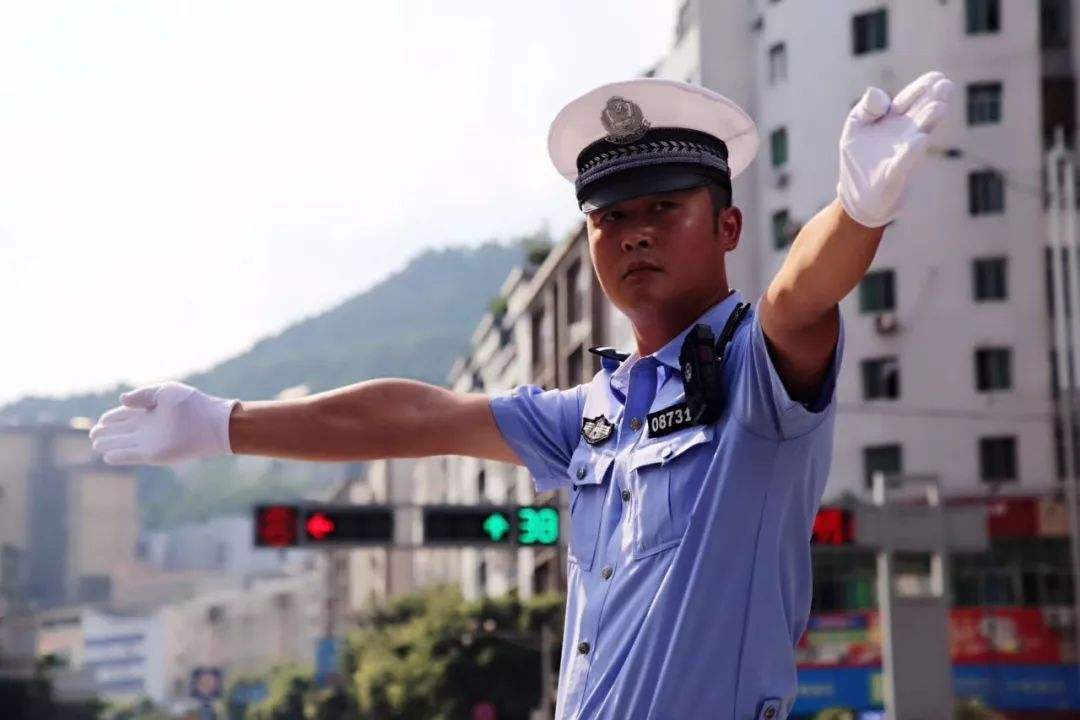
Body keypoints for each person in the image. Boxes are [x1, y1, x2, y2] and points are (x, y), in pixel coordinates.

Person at [90, 71, 953, 719]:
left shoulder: (752, 377)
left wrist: (857, 212)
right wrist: (225, 423)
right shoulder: (595, 414)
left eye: (663, 208)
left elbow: (799, 298)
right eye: (610, 218)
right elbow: (421, 416)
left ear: (728, 226)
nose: (634, 234)